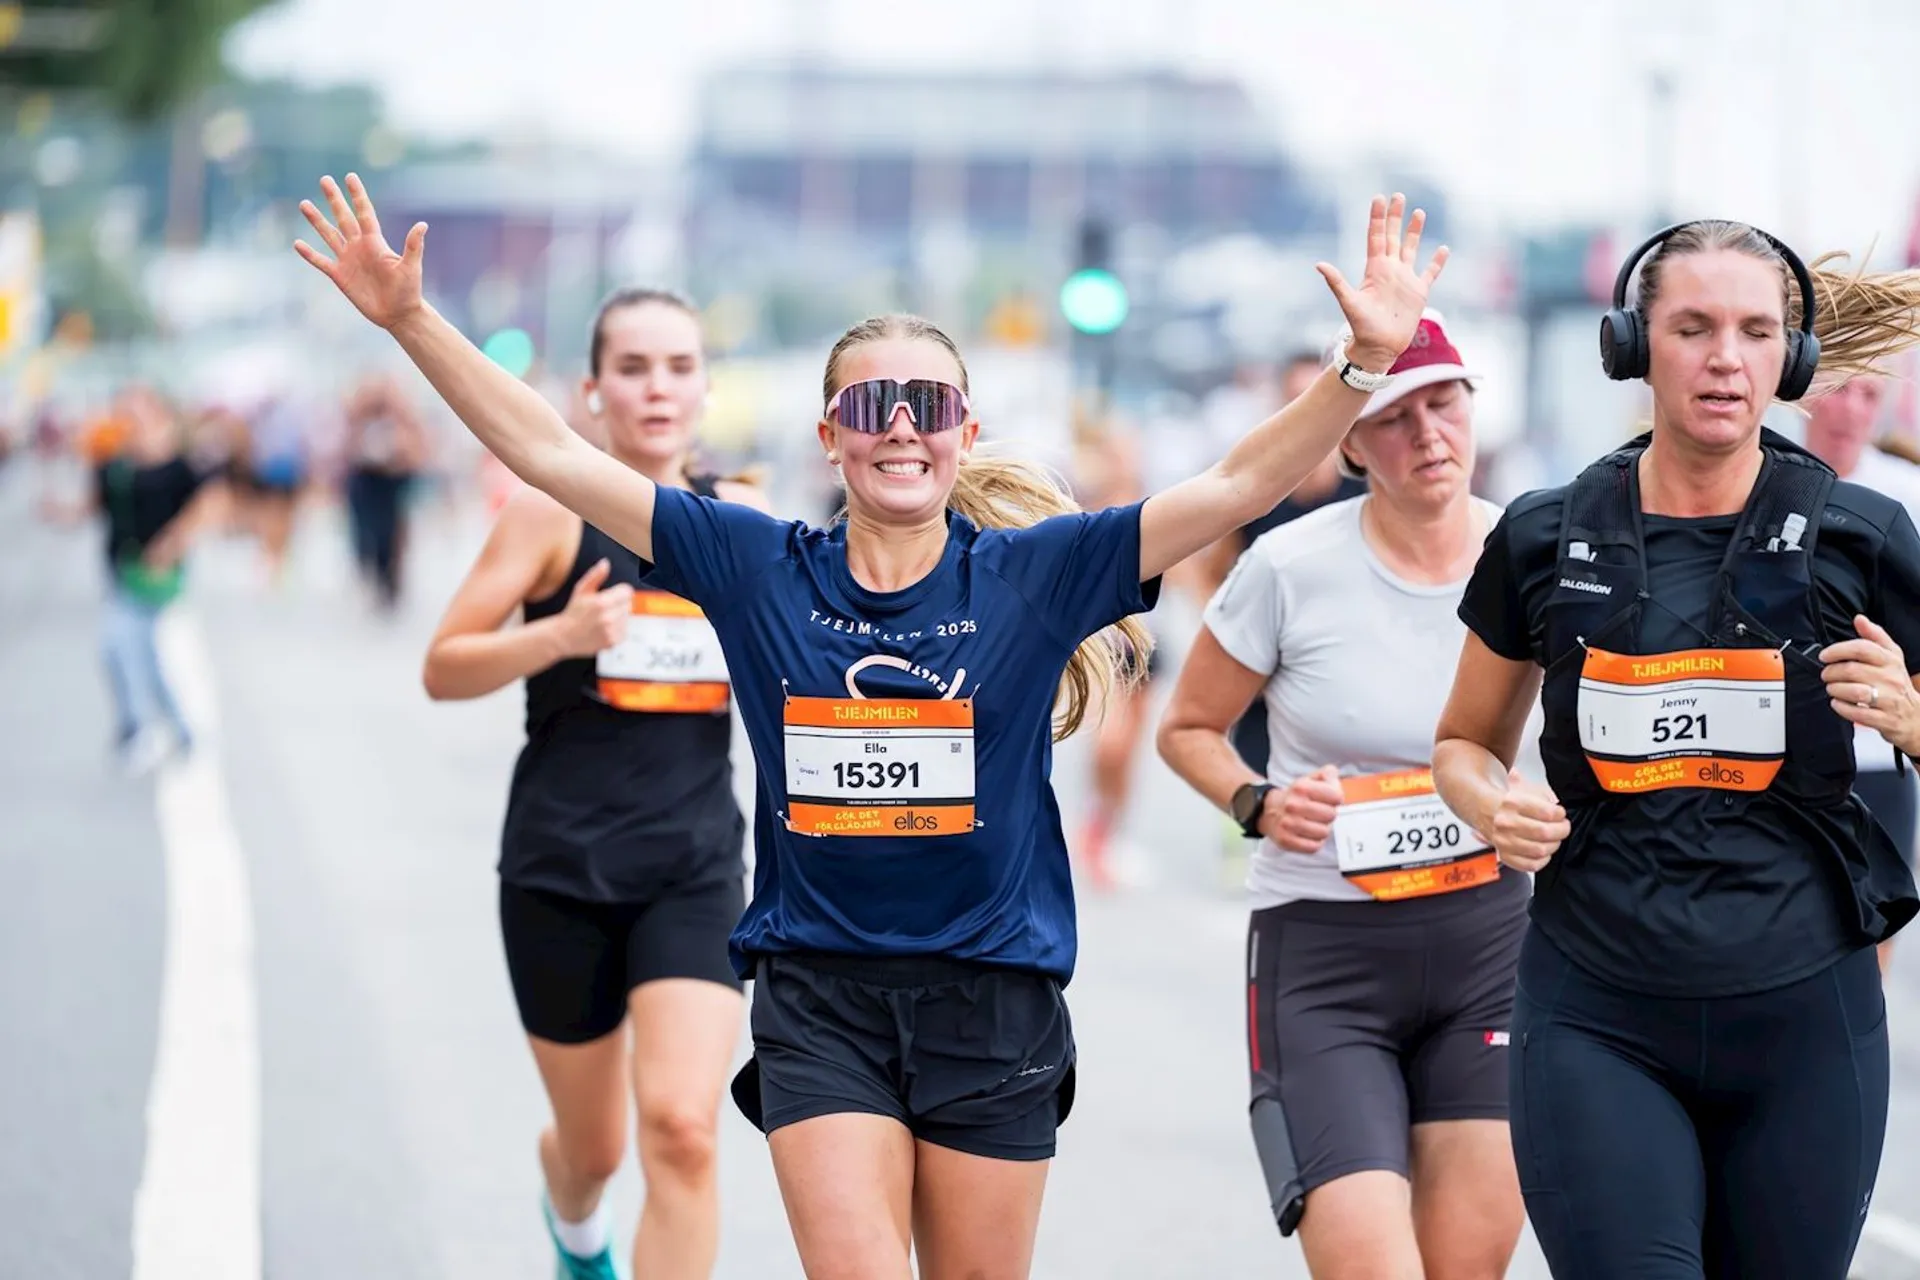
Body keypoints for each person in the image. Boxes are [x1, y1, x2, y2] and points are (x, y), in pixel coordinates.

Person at [296, 172, 1447, 1279]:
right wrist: (411, 321)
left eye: (929, 406)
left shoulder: (1036, 573)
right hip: (819, 998)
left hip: (994, 1003)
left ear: (965, 428)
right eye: (870, 405)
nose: (902, 427)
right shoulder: (753, 564)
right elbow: (549, 452)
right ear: (830, 435)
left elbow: (1239, 483)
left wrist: (1363, 365)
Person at [1432, 219, 1920, 1279]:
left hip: (1806, 1021)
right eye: (1692, 327)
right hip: (1598, 1014)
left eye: (1755, 331)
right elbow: (1464, 742)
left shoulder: (1864, 536)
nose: (1725, 358)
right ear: (1632, 344)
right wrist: (1488, 800)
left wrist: (1913, 719)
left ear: (1790, 359)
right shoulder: (1542, 535)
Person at [1157, 309, 1538, 1280]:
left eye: (1444, 405)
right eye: (1397, 418)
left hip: (1489, 947)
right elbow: (1188, 727)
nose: (1428, 436)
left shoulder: (1530, 554)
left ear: (1474, 411)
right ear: (1354, 442)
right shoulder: (1289, 567)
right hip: (1325, 959)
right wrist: (1258, 803)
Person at [418, 288, 763, 1280]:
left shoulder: (736, 518)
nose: (659, 387)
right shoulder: (549, 514)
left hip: (693, 870)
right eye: (634, 367)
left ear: (705, 386)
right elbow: (444, 666)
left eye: (680, 366)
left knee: (684, 1128)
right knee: (596, 1149)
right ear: (592, 390)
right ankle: (573, 1224)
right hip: (559, 866)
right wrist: (560, 635)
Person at [1192, 350, 1369, 781]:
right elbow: (1209, 574)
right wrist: (1238, 644)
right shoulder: (1254, 496)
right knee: (1261, 814)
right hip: (1265, 699)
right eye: (1299, 398)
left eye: (1324, 397)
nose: (1313, 412)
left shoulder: (1367, 495)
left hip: (1348, 694)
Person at [1801, 372, 1920, 974]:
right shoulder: (1754, 482)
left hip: (1878, 764)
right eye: (1838, 390)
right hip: (1773, 760)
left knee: (1866, 963)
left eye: (1869, 395)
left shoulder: (1906, 495)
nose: (1850, 410)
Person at [46, 386, 227, 773]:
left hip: (155, 576)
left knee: (123, 647)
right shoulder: (113, 466)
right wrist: (58, 511)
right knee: (135, 654)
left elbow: (212, 504)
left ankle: (140, 730)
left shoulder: (180, 465)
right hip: (120, 571)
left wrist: (172, 542)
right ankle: (178, 730)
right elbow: (92, 509)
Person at [343, 373, 430, 612]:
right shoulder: (359, 418)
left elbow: (418, 451)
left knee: (390, 537)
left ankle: (389, 583)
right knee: (364, 534)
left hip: (392, 481)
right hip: (365, 481)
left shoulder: (402, 420)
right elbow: (346, 449)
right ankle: (370, 574)